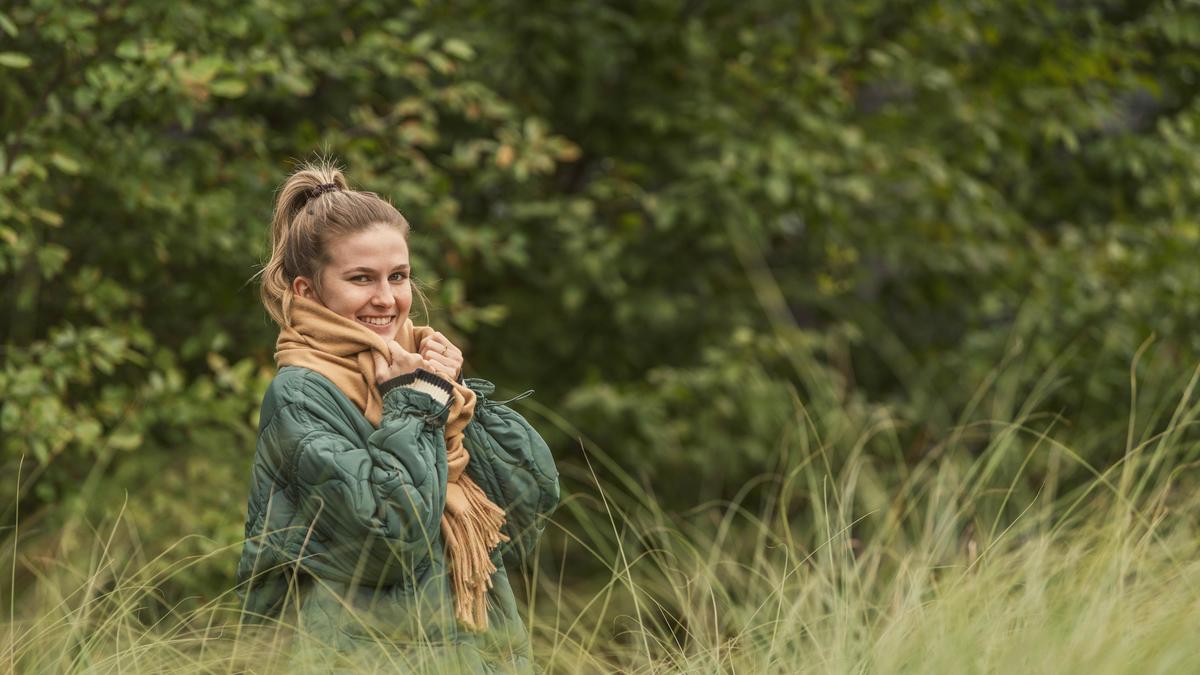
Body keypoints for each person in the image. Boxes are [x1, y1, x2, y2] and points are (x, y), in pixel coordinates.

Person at [234, 162, 560, 672]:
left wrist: (454, 394)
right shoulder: (300, 394)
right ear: (306, 291)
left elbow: (526, 512)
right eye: (361, 278)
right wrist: (418, 405)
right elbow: (387, 539)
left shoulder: (414, 374)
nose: (386, 299)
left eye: (399, 276)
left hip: (475, 650)